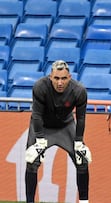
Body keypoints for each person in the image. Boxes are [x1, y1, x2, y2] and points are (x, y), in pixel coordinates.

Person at [25, 60, 92, 203]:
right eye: (56, 78)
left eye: (63, 78)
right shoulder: (40, 87)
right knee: (31, 161)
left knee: (82, 160)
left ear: (70, 77)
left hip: (66, 126)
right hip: (42, 126)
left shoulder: (79, 91)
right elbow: (36, 115)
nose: (60, 82)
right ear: (50, 77)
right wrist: (40, 139)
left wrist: (79, 141)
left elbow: (81, 118)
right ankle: (29, 201)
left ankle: (84, 201)